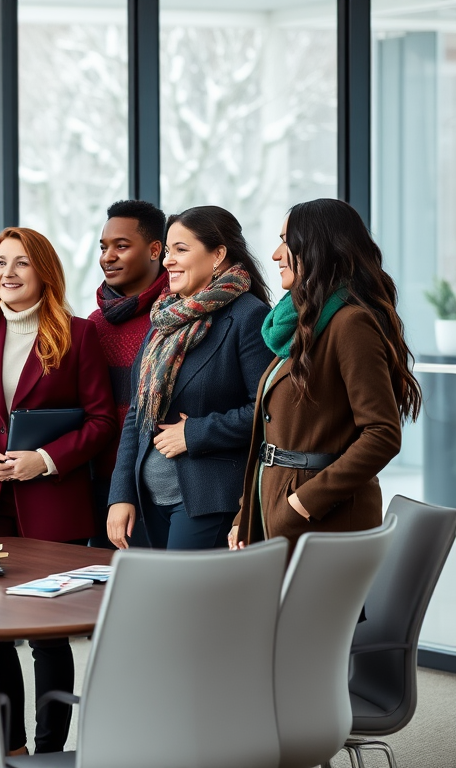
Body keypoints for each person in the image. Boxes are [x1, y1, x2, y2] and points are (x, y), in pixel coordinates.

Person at [0, 227, 117, 755]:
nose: (8, 274)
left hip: (52, 508)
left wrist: (42, 460)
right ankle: (12, 748)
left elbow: (101, 420)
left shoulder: (79, 333)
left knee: (48, 636)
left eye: (21, 263)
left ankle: (50, 752)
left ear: (44, 271)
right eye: (0, 263)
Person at [230, 199, 419, 551]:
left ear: (317, 246)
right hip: (276, 509)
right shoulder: (303, 324)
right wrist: (247, 514)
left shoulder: (350, 323)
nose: (275, 254)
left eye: (287, 240)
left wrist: (302, 504)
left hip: (323, 522)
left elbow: (382, 434)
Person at [107, 206, 274, 551]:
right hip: (149, 499)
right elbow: (138, 414)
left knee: (181, 602)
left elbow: (268, 412)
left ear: (218, 255)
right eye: (168, 251)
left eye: (181, 250)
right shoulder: (166, 318)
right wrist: (121, 494)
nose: (168, 261)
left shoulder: (248, 316)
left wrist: (195, 433)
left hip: (209, 499)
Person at [87, 199, 170, 547]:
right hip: (103, 488)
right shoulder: (92, 326)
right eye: (104, 247)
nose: (108, 256)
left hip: (164, 485)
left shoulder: (177, 317)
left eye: (122, 246)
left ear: (155, 250)